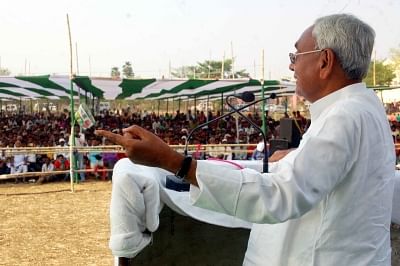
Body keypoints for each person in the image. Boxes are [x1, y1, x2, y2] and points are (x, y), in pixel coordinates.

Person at [96, 14, 395, 265]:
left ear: (325, 61)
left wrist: (173, 161)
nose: (291, 66)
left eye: (295, 56)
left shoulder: (343, 116)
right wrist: (297, 156)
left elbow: (281, 195)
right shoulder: (363, 108)